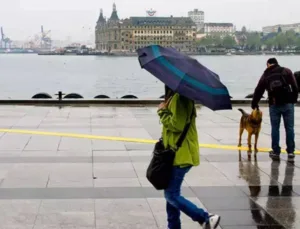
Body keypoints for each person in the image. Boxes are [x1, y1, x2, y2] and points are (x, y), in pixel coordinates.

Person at [157, 85, 221, 229]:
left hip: (181, 154)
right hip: (177, 153)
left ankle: (205, 218)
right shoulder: (178, 97)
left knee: (171, 195)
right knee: (171, 194)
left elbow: (177, 125)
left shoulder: (180, 98)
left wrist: (162, 111)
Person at [251, 58, 298, 161]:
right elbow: (295, 86)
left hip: (274, 104)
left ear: (268, 64)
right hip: (288, 104)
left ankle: (276, 152)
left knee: (275, 128)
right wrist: (293, 99)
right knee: (289, 128)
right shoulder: (286, 71)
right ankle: (290, 152)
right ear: (277, 63)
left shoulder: (266, 74)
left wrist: (254, 103)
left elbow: (259, 89)